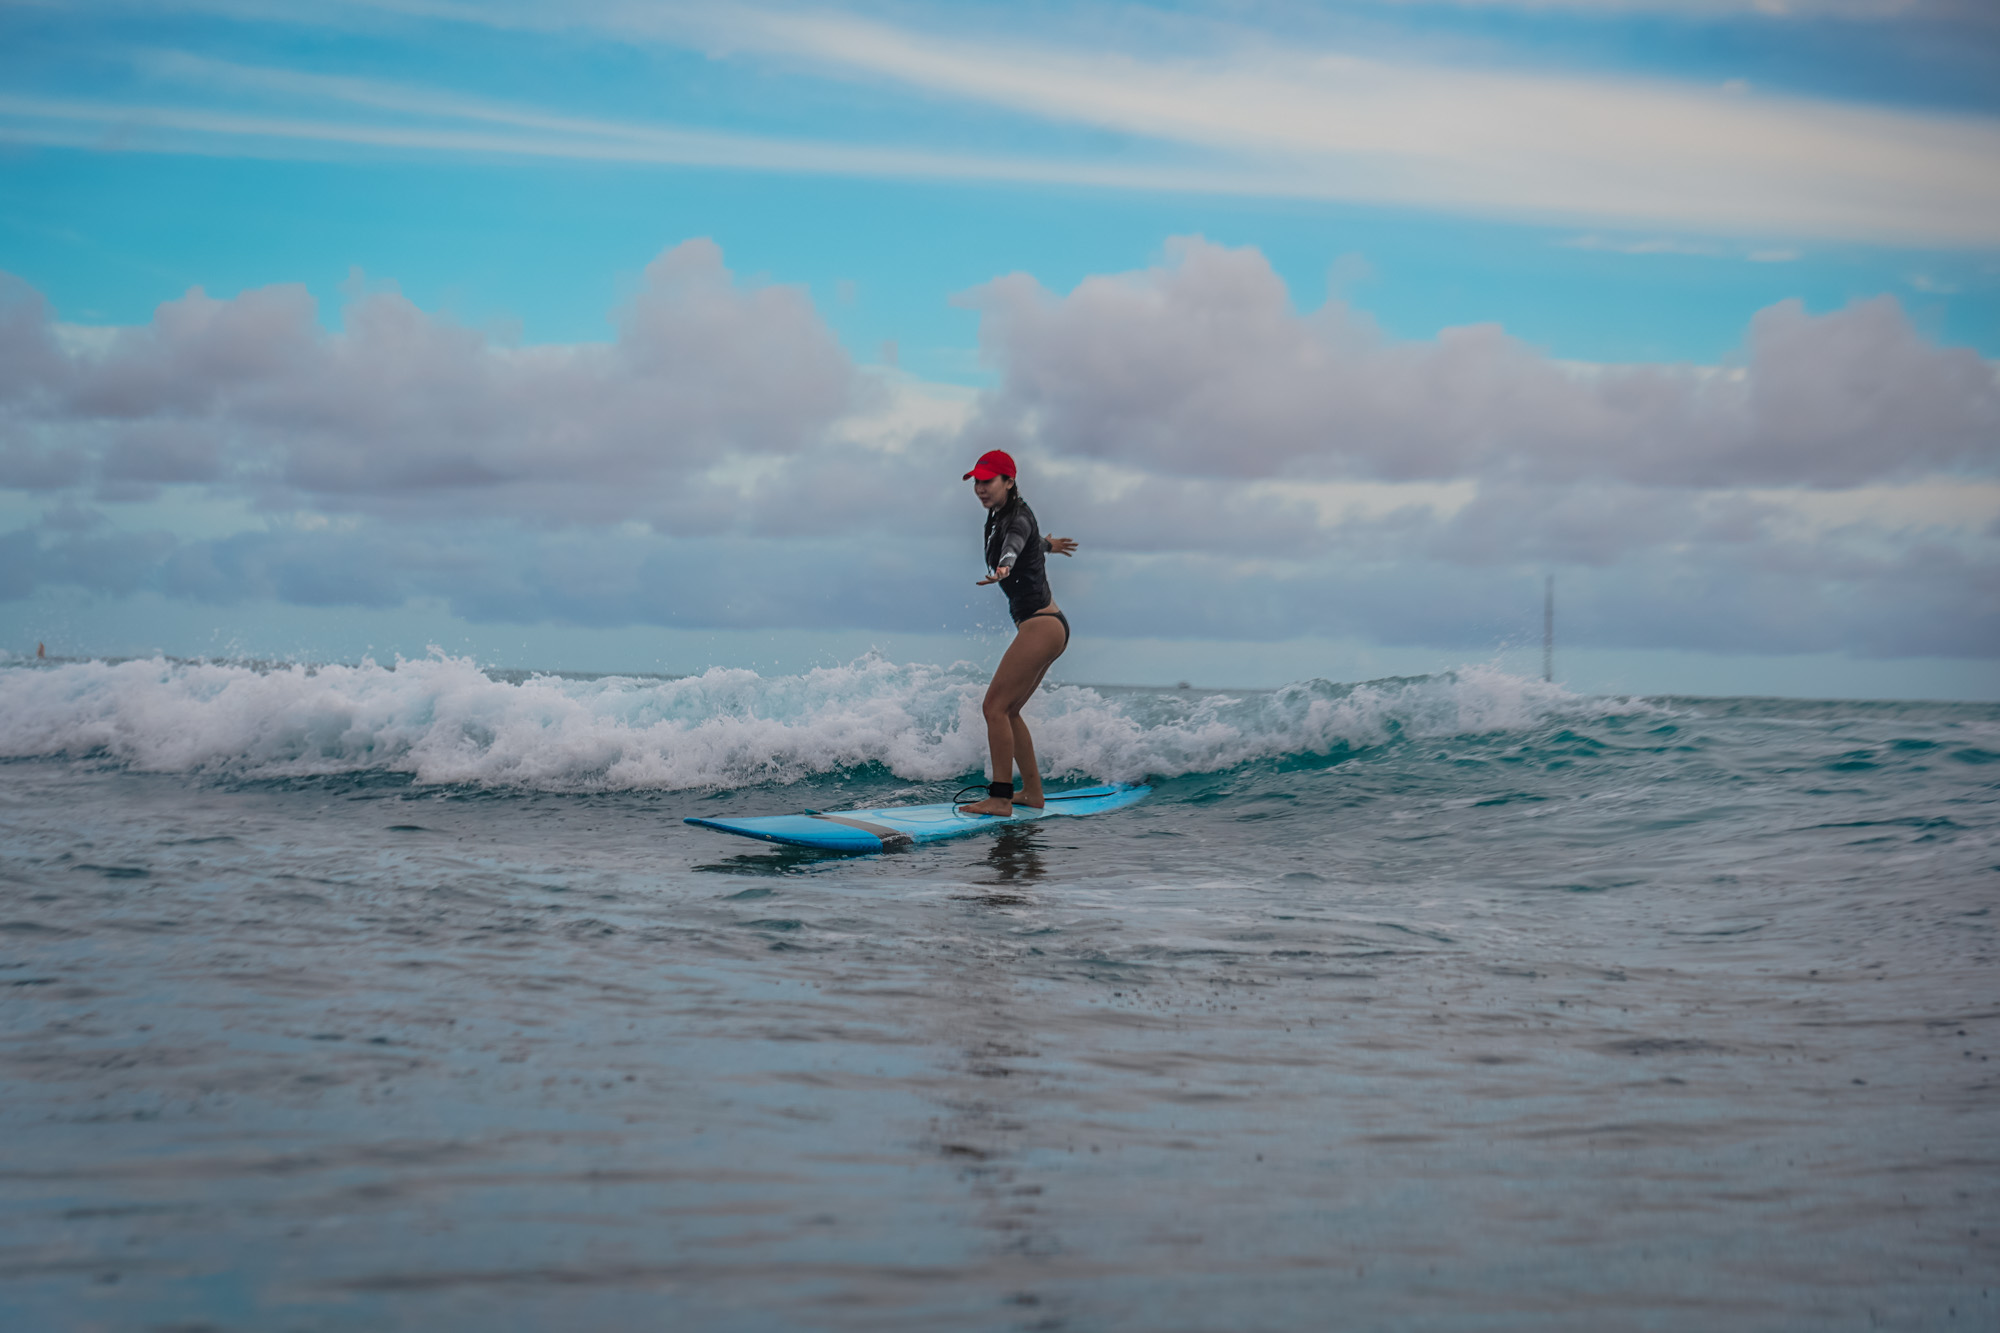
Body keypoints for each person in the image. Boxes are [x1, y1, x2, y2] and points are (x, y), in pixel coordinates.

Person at [956, 450, 1078, 817]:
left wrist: (1005, 567)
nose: (980, 488)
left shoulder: (1017, 518)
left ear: (1009, 481)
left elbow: (1014, 544)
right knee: (1009, 711)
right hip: (1048, 625)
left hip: (1042, 625)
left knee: (993, 708)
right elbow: (1027, 541)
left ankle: (1000, 797)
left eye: (988, 481)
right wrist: (1048, 546)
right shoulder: (1001, 516)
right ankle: (1033, 793)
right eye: (976, 481)